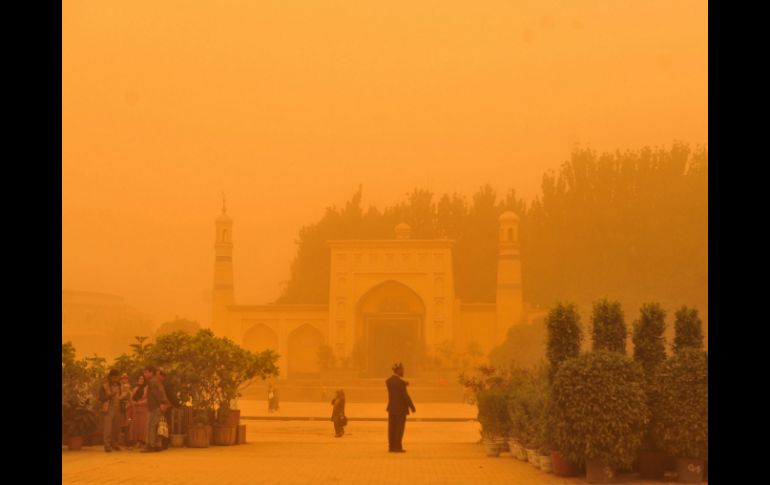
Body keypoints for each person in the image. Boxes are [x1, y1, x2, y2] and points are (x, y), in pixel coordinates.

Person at [385, 362, 415, 453]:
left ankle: (391, 446)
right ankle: (397, 447)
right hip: (401, 409)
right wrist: (412, 406)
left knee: (391, 428)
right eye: (402, 369)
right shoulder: (401, 383)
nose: (403, 371)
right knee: (399, 429)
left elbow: (395, 384)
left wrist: (404, 383)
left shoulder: (388, 381)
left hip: (392, 408)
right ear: (398, 370)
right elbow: (405, 396)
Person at [141, 365, 170, 453]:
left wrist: (162, 403)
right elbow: (161, 392)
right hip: (157, 406)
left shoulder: (152, 381)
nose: (144, 374)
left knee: (151, 425)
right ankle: (157, 445)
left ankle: (150, 445)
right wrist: (164, 403)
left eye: (146, 372)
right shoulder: (156, 381)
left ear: (151, 372)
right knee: (157, 425)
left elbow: (157, 393)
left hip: (155, 406)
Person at [99, 369, 123, 452]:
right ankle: (107, 445)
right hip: (108, 408)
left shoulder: (119, 385)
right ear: (110, 377)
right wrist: (109, 396)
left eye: (117, 377)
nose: (116, 379)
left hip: (118, 408)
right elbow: (101, 398)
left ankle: (115, 444)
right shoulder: (104, 386)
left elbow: (120, 396)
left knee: (116, 427)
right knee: (108, 428)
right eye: (114, 377)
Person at [127, 374, 148, 448]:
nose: (141, 380)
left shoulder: (147, 388)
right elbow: (131, 398)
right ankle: (135, 441)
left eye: (142, 379)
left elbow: (148, 399)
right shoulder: (135, 388)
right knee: (135, 426)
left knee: (143, 426)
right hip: (135, 410)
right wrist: (134, 402)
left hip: (144, 410)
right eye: (140, 379)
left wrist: (140, 403)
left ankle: (142, 442)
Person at [118, 373, 131, 446]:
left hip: (127, 405)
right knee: (121, 424)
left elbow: (126, 395)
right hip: (121, 406)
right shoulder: (120, 386)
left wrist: (118, 398)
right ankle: (121, 441)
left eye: (125, 378)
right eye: (123, 378)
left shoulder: (127, 386)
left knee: (127, 424)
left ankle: (127, 442)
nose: (124, 379)